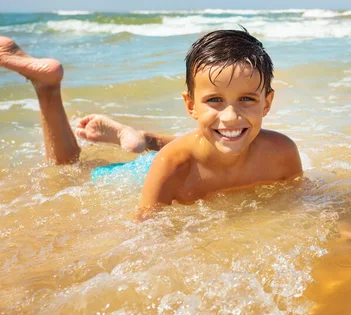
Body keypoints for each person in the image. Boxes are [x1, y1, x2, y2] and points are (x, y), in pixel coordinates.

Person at [0, 31, 303, 215]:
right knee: (69, 171)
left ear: (267, 103)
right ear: (190, 105)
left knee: (218, 135)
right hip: (144, 173)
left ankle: (138, 137)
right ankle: (47, 87)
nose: (231, 116)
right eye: (214, 100)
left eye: (247, 100)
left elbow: (302, 199)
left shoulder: (282, 152)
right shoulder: (173, 165)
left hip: (189, 152)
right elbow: (146, 228)